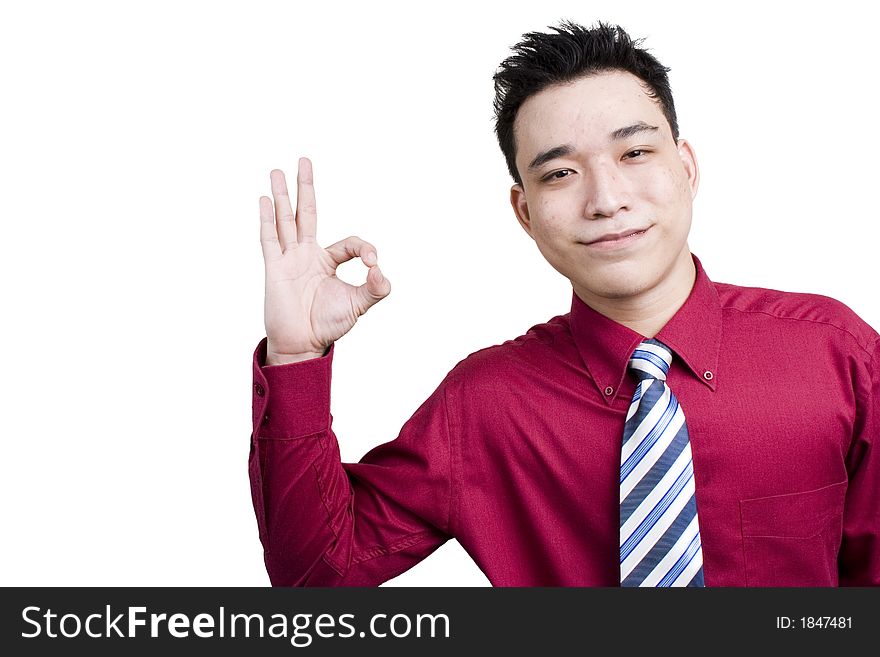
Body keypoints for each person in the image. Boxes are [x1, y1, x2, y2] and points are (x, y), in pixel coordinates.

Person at [249, 21, 879, 586]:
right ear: (525, 211)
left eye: (634, 153)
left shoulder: (834, 352)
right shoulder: (485, 404)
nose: (605, 198)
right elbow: (315, 581)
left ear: (686, 167)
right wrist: (296, 356)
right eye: (558, 174)